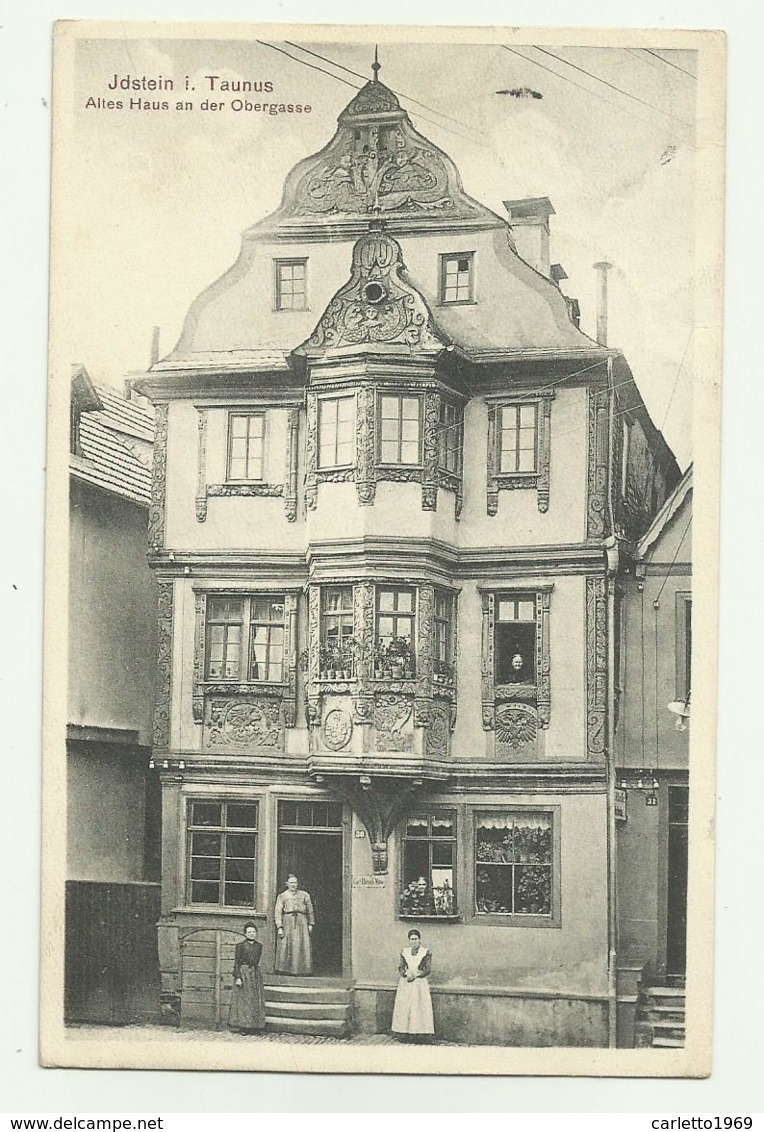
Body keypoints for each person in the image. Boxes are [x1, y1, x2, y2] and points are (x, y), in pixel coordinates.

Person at [391, 928, 434, 1041]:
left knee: (418, 1006)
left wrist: (416, 975)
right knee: (405, 1006)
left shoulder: (425, 952)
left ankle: (419, 1033)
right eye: (412, 939)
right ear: (409, 940)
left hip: (419, 982)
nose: (414, 941)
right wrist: (405, 974)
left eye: (416, 939)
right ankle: (404, 1033)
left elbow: (428, 969)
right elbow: (401, 966)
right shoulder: (404, 952)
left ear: (419, 940)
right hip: (407, 982)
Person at [228, 922, 266, 1033]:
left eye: (253, 932)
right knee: (244, 1000)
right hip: (244, 974)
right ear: (245, 934)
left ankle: (255, 1026)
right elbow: (236, 963)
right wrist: (238, 977)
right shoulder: (240, 946)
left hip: (255, 974)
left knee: (255, 1000)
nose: (251, 934)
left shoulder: (259, 946)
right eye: (249, 932)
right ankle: (243, 1026)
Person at [274, 873, 315, 975]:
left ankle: (303, 970)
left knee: (302, 944)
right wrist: (279, 927)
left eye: (295, 882)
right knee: (287, 944)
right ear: (287, 883)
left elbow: (310, 910)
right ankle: (285, 970)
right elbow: (278, 911)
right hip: (288, 921)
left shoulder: (305, 895)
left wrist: (311, 923)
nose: (293, 885)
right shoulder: (282, 896)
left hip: (302, 921)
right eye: (291, 882)